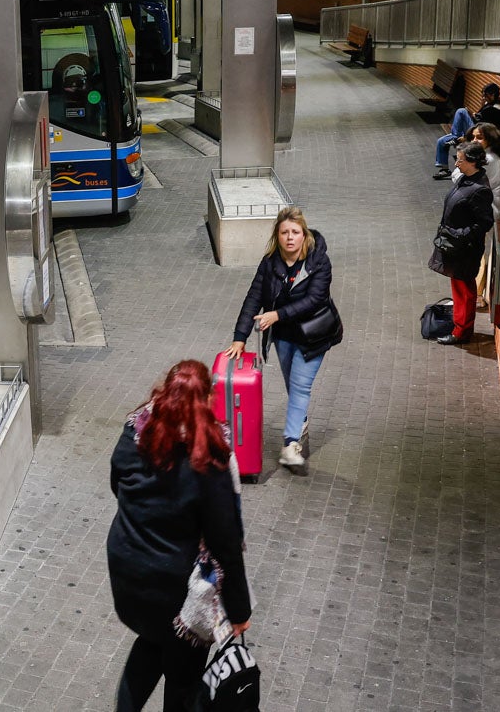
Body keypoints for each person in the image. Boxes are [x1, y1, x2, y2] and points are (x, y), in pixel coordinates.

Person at [108, 360, 252, 712]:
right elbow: (226, 546)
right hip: (176, 593)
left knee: (152, 641)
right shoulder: (209, 460)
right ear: (207, 400)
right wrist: (239, 610)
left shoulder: (134, 433)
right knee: (184, 678)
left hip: (129, 574)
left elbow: (117, 484)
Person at [223, 206, 341, 473]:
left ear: (304, 234)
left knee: (300, 386)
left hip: (314, 336)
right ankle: (301, 421)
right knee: (293, 384)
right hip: (284, 337)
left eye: (295, 232)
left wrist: (277, 314)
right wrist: (239, 337)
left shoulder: (319, 261)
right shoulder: (270, 263)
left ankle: (290, 445)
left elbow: (315, 300)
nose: (290, 237)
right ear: (277, 236)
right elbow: (253, 297)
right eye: (284, 232)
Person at [429, 142, 495, 345]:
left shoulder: (479, 189)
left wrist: (460, 235)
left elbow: (485, 222)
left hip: (464, 249)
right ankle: (460, 326)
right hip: (457, 246)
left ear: (473, 162)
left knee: (464, 290)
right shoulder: (467, 180)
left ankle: (462, 331)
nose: (456, 163)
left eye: (460, 159)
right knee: (459, 287)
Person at [434, 82, 500, 179]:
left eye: (485, 95)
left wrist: (471, 116)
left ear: (492, 95)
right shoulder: (490, 105)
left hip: (480, 131)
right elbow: (480, 116)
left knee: (461, 111)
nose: (483, 98)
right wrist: (476, 112)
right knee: (441, 141)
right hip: (477, 127)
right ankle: (444, 169)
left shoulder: (495, 108)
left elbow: (483, 125)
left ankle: (455, 137)